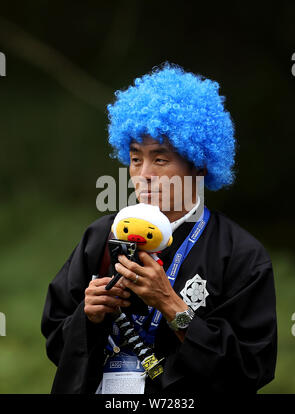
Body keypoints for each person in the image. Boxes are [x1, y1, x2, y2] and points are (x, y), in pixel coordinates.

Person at [41, 62, 277, 394]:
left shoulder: (241, 254)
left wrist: (172, 306)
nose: (144, 174)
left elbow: (251, 369)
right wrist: (88, 318)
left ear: (197, 164)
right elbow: (56, 341)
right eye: (136, 159)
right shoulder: (99, 238)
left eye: (160, 159)